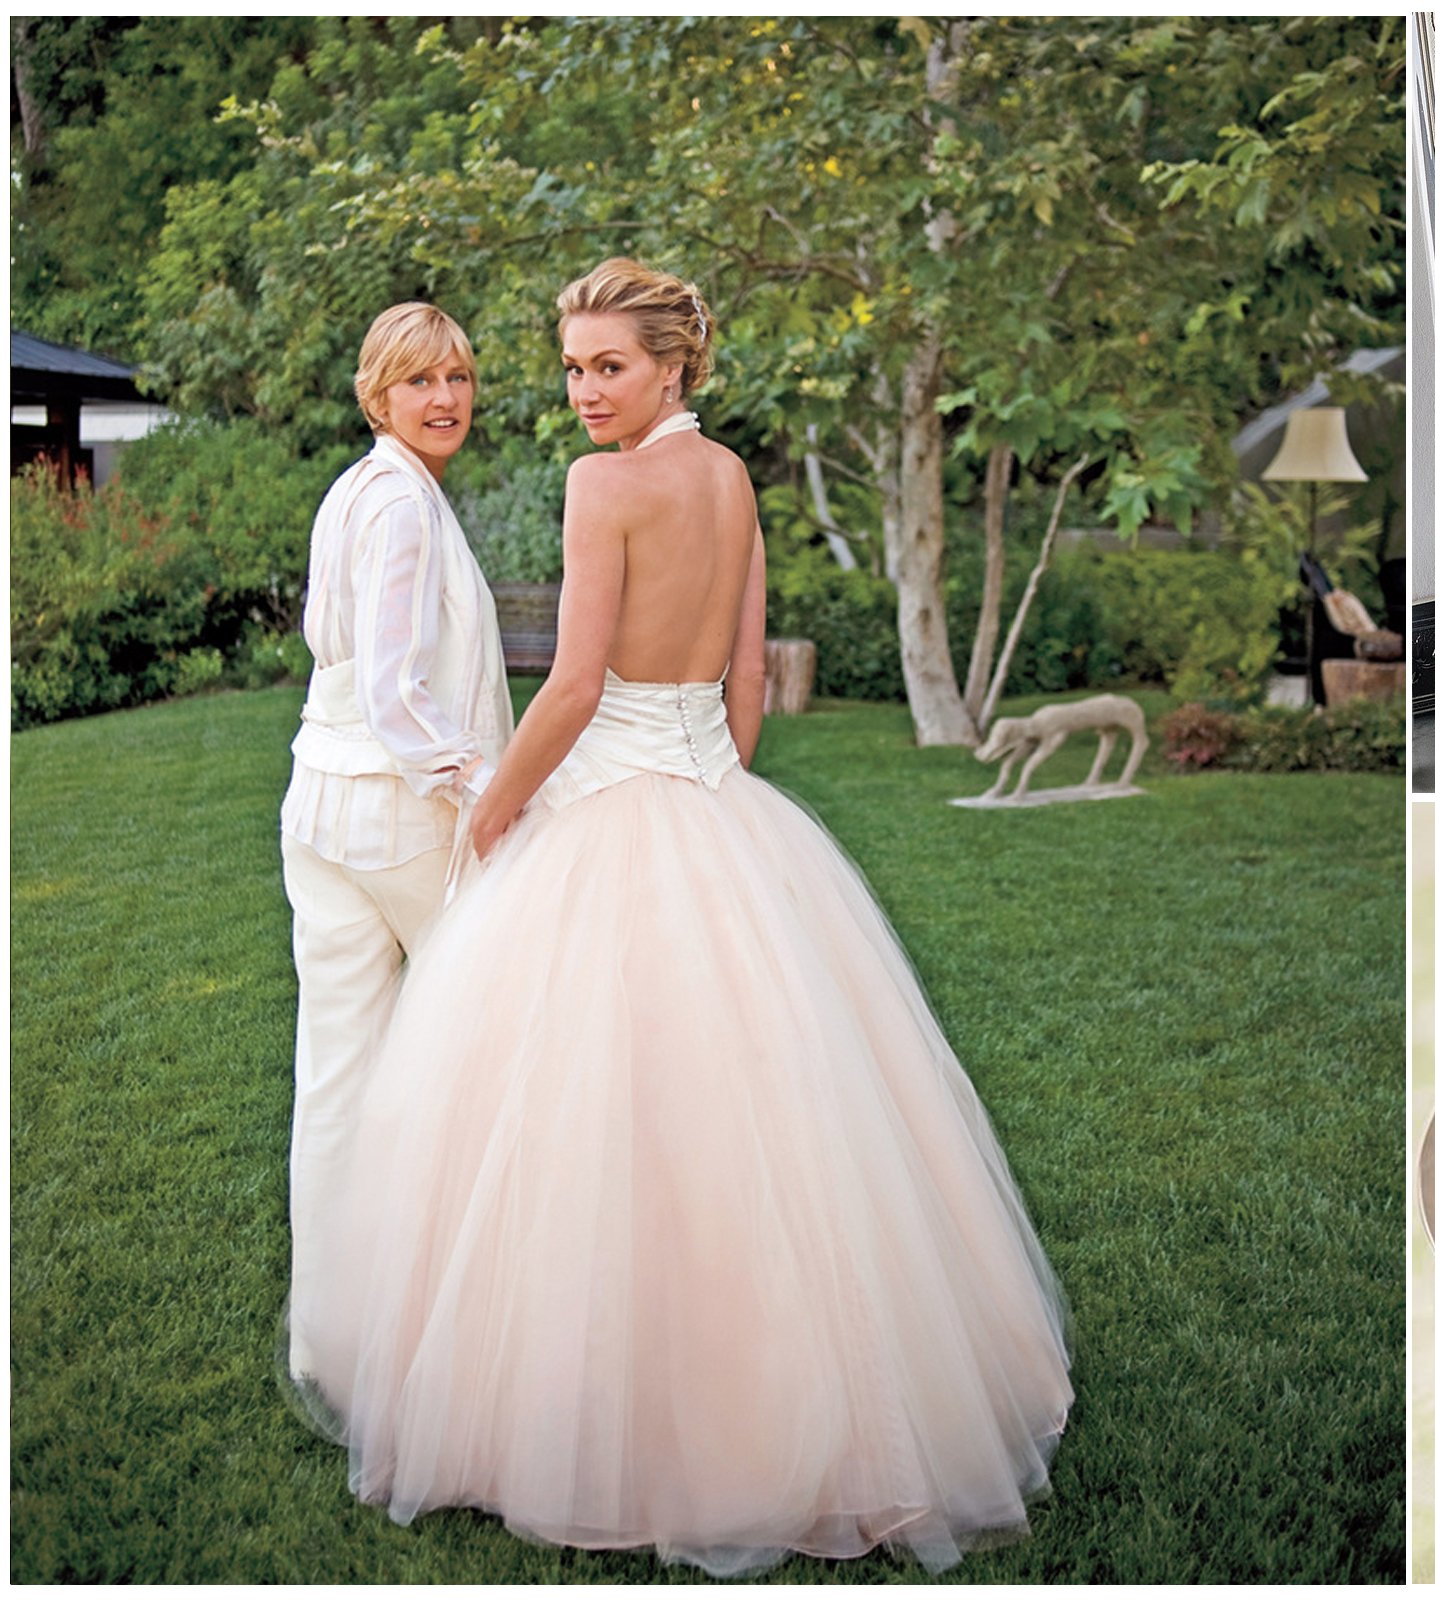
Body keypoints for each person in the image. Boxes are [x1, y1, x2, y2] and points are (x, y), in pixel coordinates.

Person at [292, 259, 1072, 1575]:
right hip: (722, 806)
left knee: (575, 1119)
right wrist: (717, 774)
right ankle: (810, 1398)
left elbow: (578, 681)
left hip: (609, 804)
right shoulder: (729, 480)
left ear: (673, 367)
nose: (584, 393)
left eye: (610, 367)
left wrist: (494, 810)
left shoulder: (609, 487)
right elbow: (747, 678)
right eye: (574, 366)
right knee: (773, 1115)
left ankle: (605, 1414)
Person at [281, 302, 512, 1385]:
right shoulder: (403, 505)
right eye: (420, 381)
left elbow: (330, 655)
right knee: (497, 1036)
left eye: (458, 378)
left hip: (317, 807)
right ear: (379, 394)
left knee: (339, 1069)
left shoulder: (358, 491)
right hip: (392, 813)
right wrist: (486, 780)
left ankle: (334, 1335)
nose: (446, 399)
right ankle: (471, 1315)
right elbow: (390, 691)